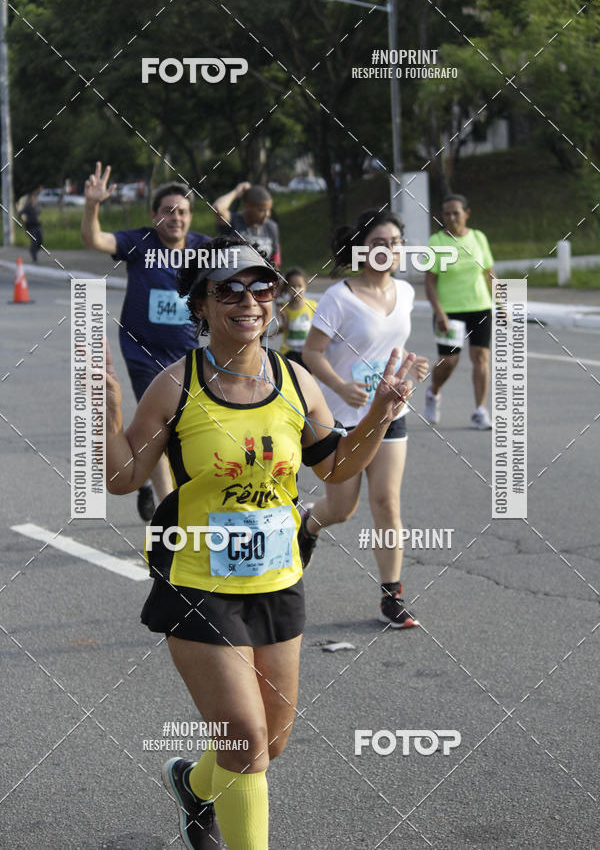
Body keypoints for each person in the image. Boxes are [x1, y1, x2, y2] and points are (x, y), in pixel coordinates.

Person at [104, 237, 415, 849]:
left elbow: (335, 467)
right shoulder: (176, 384)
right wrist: (107, 414)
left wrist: (380, 413)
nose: (249, 301)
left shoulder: (296, 381)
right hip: (198, 582)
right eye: (229, 290)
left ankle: (193, 784)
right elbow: (123, 478)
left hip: (277, 579)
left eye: (261, 287)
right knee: (245, 743)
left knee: (268, 742)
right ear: (201, 305)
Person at [301, 210, 428, 629]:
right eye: (379, 244)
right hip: (343, 418)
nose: (389, 250)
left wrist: (413, 368)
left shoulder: (405, 292)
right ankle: (308, 524)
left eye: (396, 243)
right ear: (361, 250)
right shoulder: (339, 298)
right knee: (341, 509)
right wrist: (340, 387)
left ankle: (392, 596)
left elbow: (392, 348)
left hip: (389, 412)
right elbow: (312, 352)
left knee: (386, 502)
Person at [81, 161, 211, 522]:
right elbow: (94, 239)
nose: (175, 218)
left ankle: (149, 479)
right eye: (168, 211)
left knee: (190, 428)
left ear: (190, 217)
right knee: (161, 427)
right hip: (144, 352)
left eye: (182, 212)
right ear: (154, 215)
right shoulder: (139, 243)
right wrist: (92, 205)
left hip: (189, 354)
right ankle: (172, 513)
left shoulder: (204, 249)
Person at [423, 193, 496, 429]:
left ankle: (480, 411)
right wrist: (439, 312)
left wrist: (503, 304)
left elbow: (489, 273)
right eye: (447, 214)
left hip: (480, 306)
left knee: (481, 358)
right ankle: (433, 392)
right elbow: (429, 282)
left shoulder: (479, 237)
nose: (452, 218)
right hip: (449, 310)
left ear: (467, 213)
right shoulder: (436, 241)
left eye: (456, 213)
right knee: (449, 360)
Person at [214, 181, 281, 267]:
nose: (267, 214)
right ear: (247, 206)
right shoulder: (233, 221)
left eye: (268, 210)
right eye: (262, 210)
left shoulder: (271, 227)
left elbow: (275, 261)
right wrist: (236, 192)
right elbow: (218, 208)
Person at [277, 267, 315, 368]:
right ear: (286, 288)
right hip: (289, 354)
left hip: (306, 353)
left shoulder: (313, 306)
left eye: (300, 286)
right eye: (292, 287)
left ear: (305, 286)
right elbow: (277, 331)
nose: (296, 290)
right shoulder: (283, 308)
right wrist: (284, 322)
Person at [19, 187, 43, 263]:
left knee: (40, 241)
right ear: (29, 199)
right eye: (31, 198)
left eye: (34, 198)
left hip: (37, 226)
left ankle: (33, 251)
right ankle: (34, 257)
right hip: (30, 227)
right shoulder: (27, 207)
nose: (33, 199)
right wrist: (23, 221)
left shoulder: (36, 206)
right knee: (34, 241)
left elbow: (39, 212)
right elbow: (20, 214)